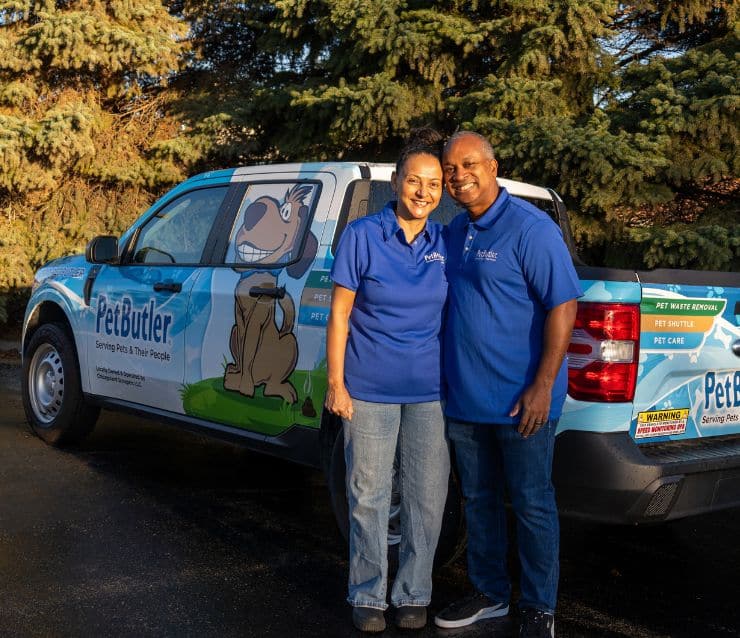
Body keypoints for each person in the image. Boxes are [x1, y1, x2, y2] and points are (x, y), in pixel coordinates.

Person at [434, 131, 582, 638]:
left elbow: (564, 304)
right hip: (466, 400)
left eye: (469, 164)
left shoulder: (530, 229)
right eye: (450, 169)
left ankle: (540, 606)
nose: (458, 176)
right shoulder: (454, 231)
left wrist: (542, 385)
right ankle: (490, 593)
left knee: (532, 502)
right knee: (478, 500)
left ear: (493, 167)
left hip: (524, 400)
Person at [326, 128, 451, 633]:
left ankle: (414, 592)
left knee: (426, 500)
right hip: (369, 390)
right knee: (369, 495)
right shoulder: (362, 235)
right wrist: (336, 383)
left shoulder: (447, 242)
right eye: (415, 180)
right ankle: (368, 594)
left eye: (435, 184)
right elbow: (340, 315)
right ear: (395, 180)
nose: (423, 192)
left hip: (431, 394)